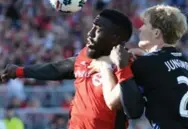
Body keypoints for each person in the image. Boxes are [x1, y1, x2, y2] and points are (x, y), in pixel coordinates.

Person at [0, 9, 144, 129]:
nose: (90, 33)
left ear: (114, 38)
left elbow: (134, 111)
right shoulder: (84, 56)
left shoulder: (127, 64)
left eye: (98, 29)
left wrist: (118, 67)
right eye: (92, 27)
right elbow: (58, 69)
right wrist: (19, 71)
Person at [92, 5, 188, 129]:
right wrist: (146, 56)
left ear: (156, 33)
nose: (140, 28)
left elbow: (112, 102)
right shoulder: (184, 61)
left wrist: (104, 66)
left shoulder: (145, 64)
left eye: (145, 24)